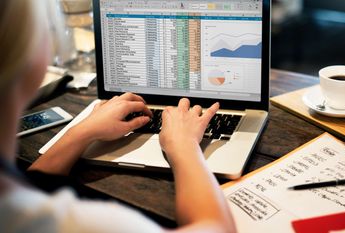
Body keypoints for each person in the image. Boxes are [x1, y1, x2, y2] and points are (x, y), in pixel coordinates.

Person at [0, 1, 236, 232]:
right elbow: (217, 228)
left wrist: (82, 131)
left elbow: (33, 184)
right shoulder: (87, 224)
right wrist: (184, 146)